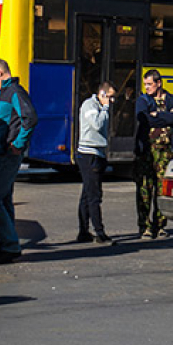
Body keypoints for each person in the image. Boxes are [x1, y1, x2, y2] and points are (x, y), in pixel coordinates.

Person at [0, 58, 38, 264]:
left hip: (5, 155)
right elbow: (12, 120)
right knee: (3, 200)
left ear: (0, 72)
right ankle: (8, 244)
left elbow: (30, 117)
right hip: (2, 153)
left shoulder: (14, 91)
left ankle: (8, 246)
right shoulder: (7, 92)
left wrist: (17, 143)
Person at [134, 69, 173, 239]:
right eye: (145, 84)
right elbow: (143, 119)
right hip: (147, 152)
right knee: (144, 190)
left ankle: (160, 225)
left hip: (166, 153)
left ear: (159, 83)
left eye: (150, 84)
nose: (147, 87)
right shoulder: (143, 100)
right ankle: (145, 227)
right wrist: (166, 116)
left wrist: (158, 115)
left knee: (162, 190)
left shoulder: (171, 99)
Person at [76, 81, 117, 245]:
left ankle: (83, 232)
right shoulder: (90, 105)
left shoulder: (99, 106)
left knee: (87, 194)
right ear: (102, 94)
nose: (112, 101)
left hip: (97, 154)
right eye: (110, 97)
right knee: (94, 196)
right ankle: (100, 233)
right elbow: (97, 125)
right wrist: (105, 108)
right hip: (89, 155)